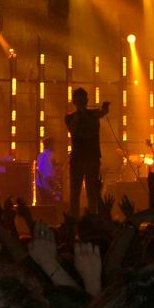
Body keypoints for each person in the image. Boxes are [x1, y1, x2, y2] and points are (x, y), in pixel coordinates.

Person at [65, 88, 109, 218]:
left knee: (91, 191)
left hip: (90, 158)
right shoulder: (70, 117)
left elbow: (103, 112)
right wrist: (80, 115)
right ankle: (76, 219)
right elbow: (72, 129)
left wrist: (105, 108)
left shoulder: (93, 114)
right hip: (79, 159)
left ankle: (92, 218)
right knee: (76, 192)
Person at [36, 137, 57, 204]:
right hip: (45, 187)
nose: (55, 146)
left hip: (47, 186)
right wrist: (49, 190)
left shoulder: (46, 156)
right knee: (47, 205)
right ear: (50, 145)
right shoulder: (44, 156)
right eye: (54, 144)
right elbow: (43, 175)